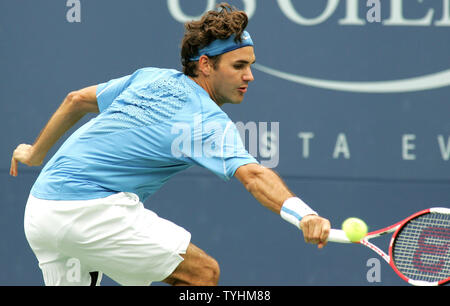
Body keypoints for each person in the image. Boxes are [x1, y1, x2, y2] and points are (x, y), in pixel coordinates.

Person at [10, 3, 331, 286]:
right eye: (238, 66)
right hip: (87, 210)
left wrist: (34, 153)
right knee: (202, 274)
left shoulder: (149, 77)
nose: (249, 76)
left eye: (250, 65)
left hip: (40, 210)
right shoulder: (206, 121)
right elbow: (255, 177)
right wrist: (304, 215)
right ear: (206, 64)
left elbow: (75, 99)